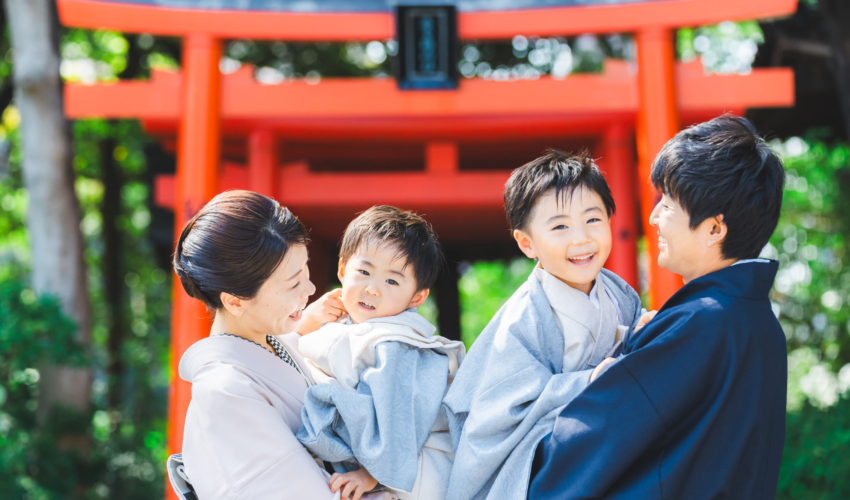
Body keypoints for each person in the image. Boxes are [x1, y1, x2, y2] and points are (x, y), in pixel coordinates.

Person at [528, 115, 787, 499]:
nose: (653, 218)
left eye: (668, 205)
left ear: (715, 228)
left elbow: (596, 434)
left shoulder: (701, 324)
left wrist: (521, 450)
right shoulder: (756, 324)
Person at [442, 150, 647, 500]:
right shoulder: (524, 317)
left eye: (593, 220)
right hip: (544, 459)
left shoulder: (620, 294)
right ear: (527, 243)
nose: (581, 238)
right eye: (560, 226)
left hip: (598, 443)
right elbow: (502, 411)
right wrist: (588, 382)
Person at [172, 190, 339, 499]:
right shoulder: (225, 390)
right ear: (235, 301)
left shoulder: (280, 342)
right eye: (293, 283)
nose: (311, 287)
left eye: (306, 270)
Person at [295, 206, 466, 500]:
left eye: (391, 281)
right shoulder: (345, 325)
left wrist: (370, 475)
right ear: (342, 269)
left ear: (417, 297)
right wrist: (308, 321)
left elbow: (403, 414)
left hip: (412, 469)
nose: (372, 288)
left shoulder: (396, 345)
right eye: (363, 272)